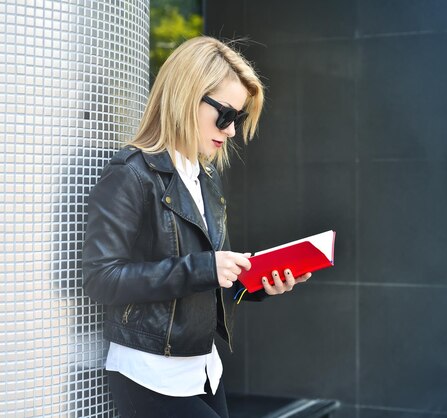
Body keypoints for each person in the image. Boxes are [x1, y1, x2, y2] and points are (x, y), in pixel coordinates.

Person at [81, 36, 311, 418]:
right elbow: (101, 278)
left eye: (237, 119)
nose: (233, 131)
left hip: (205, 369)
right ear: (187, 97)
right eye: (226, 116)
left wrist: (258, 282)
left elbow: (204, 280)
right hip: (150, 375)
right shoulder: (131, 174)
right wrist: (205, 267)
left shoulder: (204, 178)